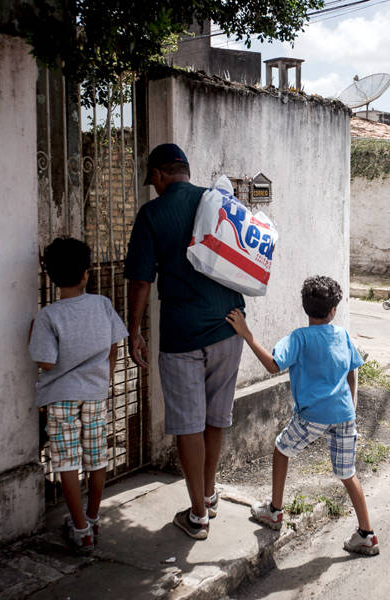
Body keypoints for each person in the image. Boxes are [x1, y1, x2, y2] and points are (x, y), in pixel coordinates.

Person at [124, 143, 246, 540]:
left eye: (153, 180)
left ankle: (197, 515)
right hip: (230, 327)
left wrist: (134, 329)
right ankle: (208, 495)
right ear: (187, 171)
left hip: (182, 335)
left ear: (159, 175)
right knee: (214, 419)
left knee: (188, 425)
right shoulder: (217, 202)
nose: (154, 186)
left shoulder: (153, 213)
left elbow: (141, 279)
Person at [225, 275, 379, 556]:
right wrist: (352, 405)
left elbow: (273, 365)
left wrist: (246, 334)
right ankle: (367, 534)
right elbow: (353, 370)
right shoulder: (343, 335)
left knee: (282, 448)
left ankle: (274, 510)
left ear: (305, 308)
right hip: (345, 415)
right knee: (348, 473)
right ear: (333, 310)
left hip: (312, 416)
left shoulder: (298, 338)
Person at [29, 237, 128, 553]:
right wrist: (105, 378)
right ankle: (94, 517)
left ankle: (80, 528)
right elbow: (114, 346)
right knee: (97, 455)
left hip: (60, 397)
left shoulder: (48, 316)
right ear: (87, 273)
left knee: (66, 459)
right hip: (95, 394)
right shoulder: (102, 304)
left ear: (51, 276)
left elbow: (46, 361)